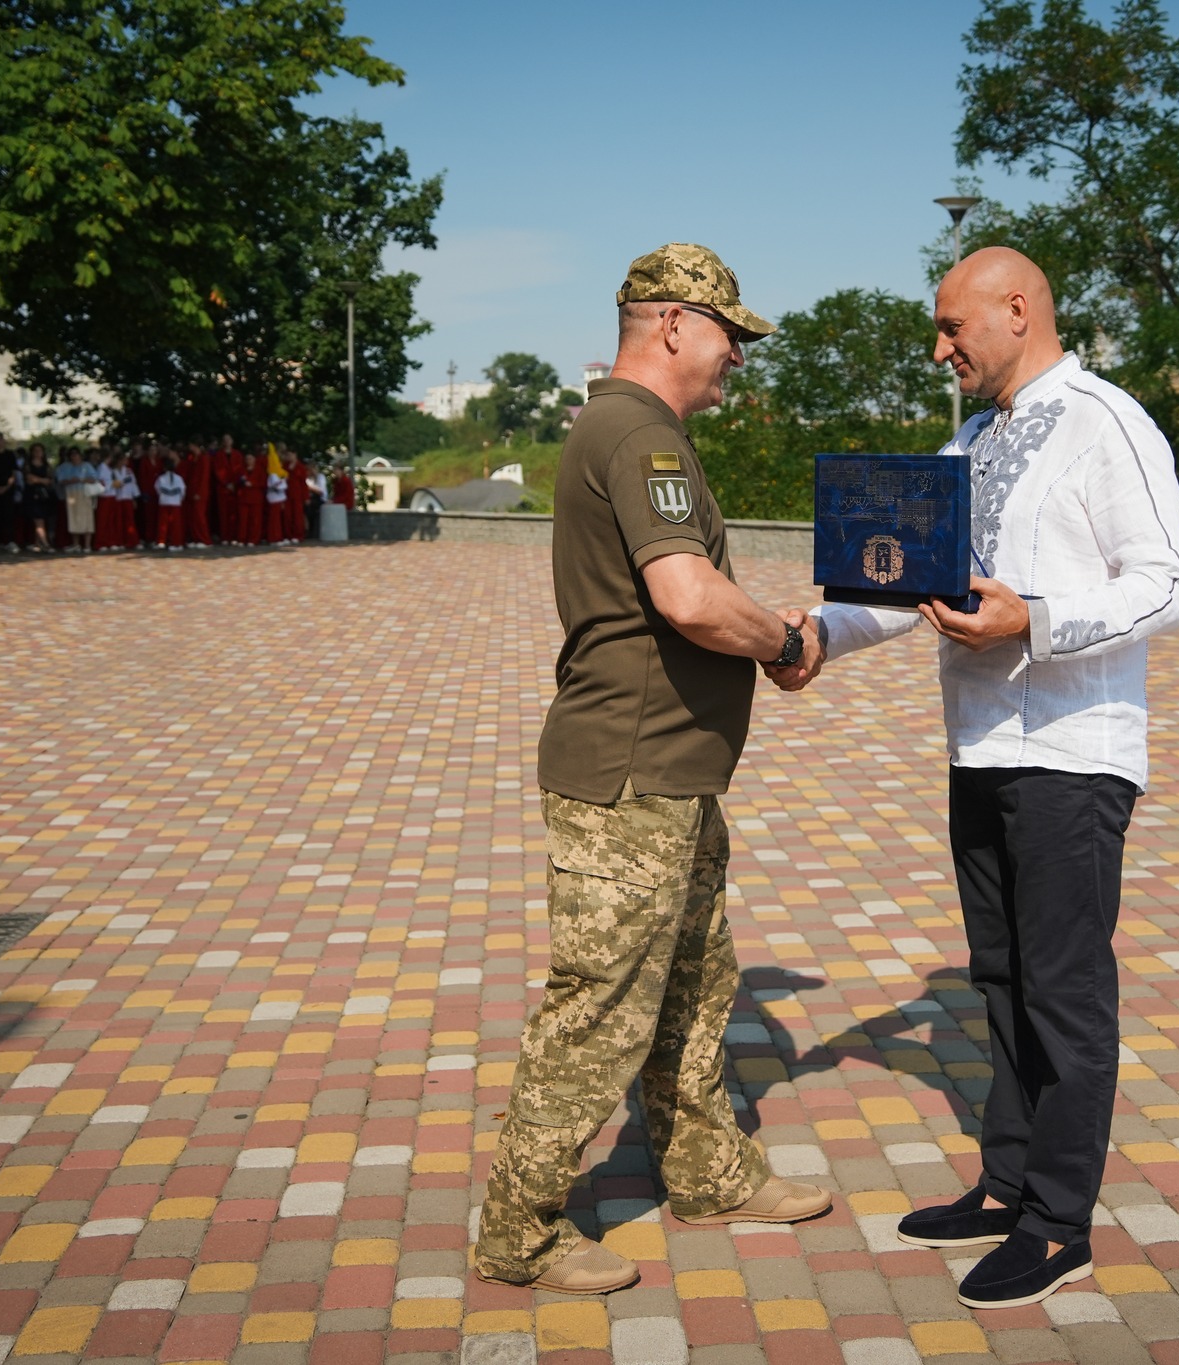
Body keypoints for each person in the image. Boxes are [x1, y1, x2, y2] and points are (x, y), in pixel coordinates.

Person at [791, 247, 1179, 1310]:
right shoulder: (971, 439)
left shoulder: (1108, 422)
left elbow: (1169, 585)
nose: (939, 350)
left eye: (950, 327)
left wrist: (1036, 620)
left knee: (1064, 992)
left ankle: (1058, 1225)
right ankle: (1006, 1185)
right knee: (1002, 980)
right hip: (978, 748)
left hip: (1071, 754)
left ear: (1017, 310)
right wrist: (819, 635)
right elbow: (907, 578)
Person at [473, 243, 832, 1295]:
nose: (737, 359)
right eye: (728, 336)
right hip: (632, 777)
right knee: (601, 1009)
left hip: (667, 774)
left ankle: (707, 1172)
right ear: (674, 323)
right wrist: (782, 641)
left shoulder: (627, 428)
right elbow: (686, 595)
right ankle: (519, 1228)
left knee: (692, 985)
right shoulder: (639, 435)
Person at [61, 446, 99, 553]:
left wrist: (81, 479)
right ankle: (76, 544)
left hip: (84, 494)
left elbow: (94, 479)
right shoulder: (65, 467)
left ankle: (87, 545)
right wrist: (70, 481)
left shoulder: (87, 466)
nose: (74, 456)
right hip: (71, 494)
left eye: (76, 454)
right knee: (73, 517)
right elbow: (60, 480)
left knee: (87, 518)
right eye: (72, 454)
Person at [21, 442, 56, 552]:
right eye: (35, 451)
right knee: (38, 520)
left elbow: (50, 480)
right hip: (32, 495)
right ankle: (46, 544)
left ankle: (38, 543)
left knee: (42, 520)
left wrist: (38, 480)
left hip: (44, 496)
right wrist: (42, 480)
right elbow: (29, 479)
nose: (38, 453)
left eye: (40, 451)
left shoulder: (47, 466)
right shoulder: (27, 465)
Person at [181, 441, 213, 548]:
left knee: (199, 517)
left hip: (200, 493)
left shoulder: (204, 458)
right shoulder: (193, 458)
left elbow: (204, 477)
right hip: (192, 491)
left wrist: (199, 492)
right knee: (193, 517)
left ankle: (205, 540)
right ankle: (196, 538)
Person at [154, 454, 186, 550]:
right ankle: (176, 543)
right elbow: (183, 490)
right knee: (175, 524)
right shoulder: (179, 478)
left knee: (163, 523)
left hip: (164, 502)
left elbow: (157, 489)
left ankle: (162, 541)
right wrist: (179, 499)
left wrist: (163, 497)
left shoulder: (161, 478)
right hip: (175, 503)